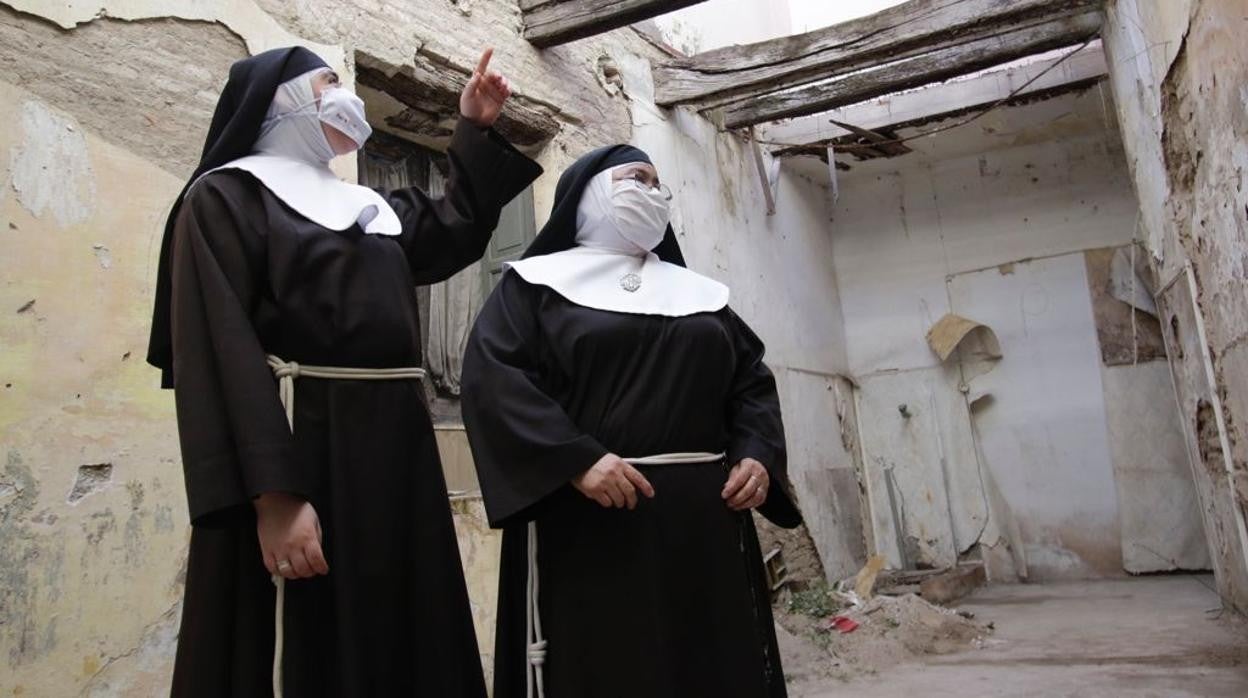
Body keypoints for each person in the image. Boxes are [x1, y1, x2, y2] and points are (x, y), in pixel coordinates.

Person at [146, 45, 542, 696]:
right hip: (304, 454)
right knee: (305, 639)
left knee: (401, 634)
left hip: (396, 457)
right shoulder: (224, 199)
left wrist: (473, 127)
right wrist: (275, 496)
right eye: (330, 82)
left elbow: (457, 226)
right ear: (280, 99)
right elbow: (221, 353)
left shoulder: (366, 206)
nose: (346, 96)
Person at [461, 144, 803, 698]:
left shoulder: (701, 297)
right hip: (592, 518)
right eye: (634, 178)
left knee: (710, 662)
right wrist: (575, 458)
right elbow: (494, 379)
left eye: (656, 183)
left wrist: (756, 454)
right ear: (589, 193)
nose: (650, 191)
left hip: (703, 523)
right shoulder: (533, 286)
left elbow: (751, 384)